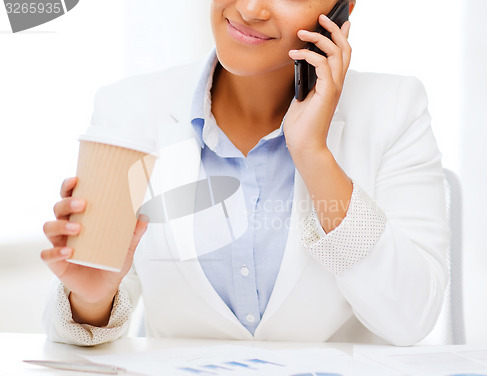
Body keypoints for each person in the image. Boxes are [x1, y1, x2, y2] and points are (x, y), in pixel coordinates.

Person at [41, 0, 450, 346]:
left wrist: (313, 154)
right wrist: (91, 301)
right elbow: (84, 329)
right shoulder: (129, 107)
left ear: (342, 9)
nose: (251, 9)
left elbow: (410, 320)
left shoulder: (395, 108)